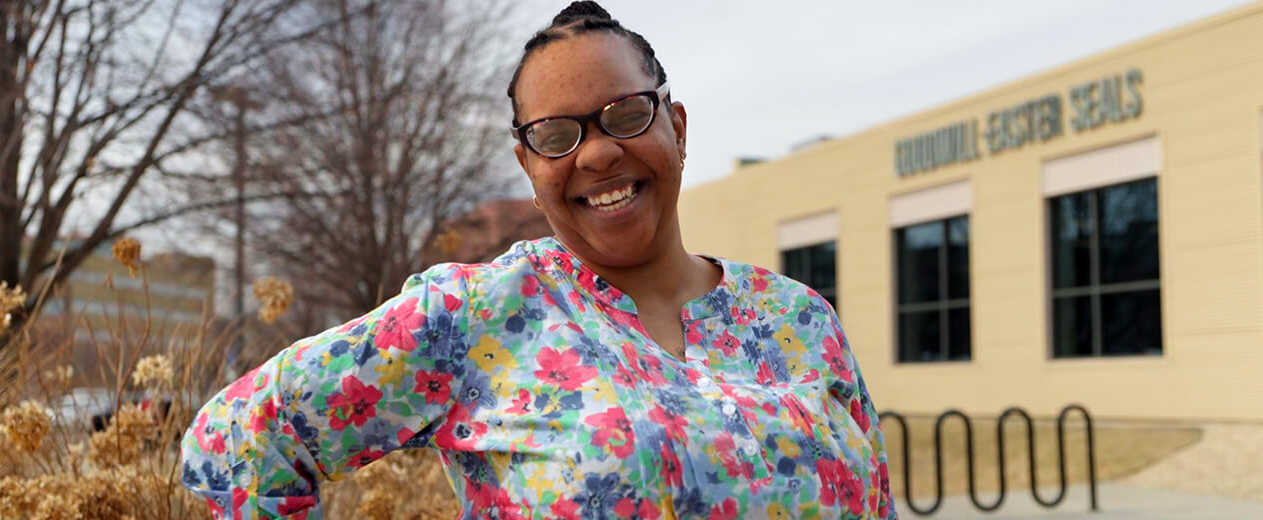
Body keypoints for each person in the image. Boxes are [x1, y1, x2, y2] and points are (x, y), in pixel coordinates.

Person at [181, 2, 896, 519]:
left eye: (625, 115)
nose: (597, 153)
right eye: (557, 135)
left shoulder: (800, 319)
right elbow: (236, 441)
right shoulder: (480, 315)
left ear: (675, 126)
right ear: (528, 162)